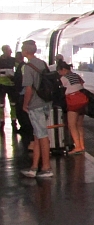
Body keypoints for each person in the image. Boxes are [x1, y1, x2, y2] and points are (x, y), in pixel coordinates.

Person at [20, 40, 53, 178]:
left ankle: (46, 168)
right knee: (37, 134)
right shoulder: (42, 63)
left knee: (42, 135)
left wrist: (25, 104)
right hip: (46, 102)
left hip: (35, 104)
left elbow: (28, 89)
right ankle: (34, 167)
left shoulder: (28, 67)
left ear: (25, 51)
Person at [56, 60, 88, 154]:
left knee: (71, 125)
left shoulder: (64, 78)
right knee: (79, 125)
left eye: (60, 72)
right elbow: (81, 85)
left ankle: (77, 146)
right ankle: (82, 146)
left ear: (64, 70)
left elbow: (60, 89)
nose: (60, 74)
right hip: (83, 99)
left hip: (73, 101)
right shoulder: (76, 76)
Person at [13, 51, 33, 149]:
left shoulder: (23, 66)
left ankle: (26, 129)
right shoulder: (23, 66)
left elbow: (24, 82)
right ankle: (25, 128)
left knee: (22, 111)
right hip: (22, 91)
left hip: (23, 92)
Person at [0, 44, 18, 133]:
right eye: (9, 50)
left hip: (11, 85)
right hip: (2, 85)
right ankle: (1, 123)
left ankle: (14, 123)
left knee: (13, 104)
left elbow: (18, 68)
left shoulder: (13, 60)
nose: (11, 52)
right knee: (1, 105)